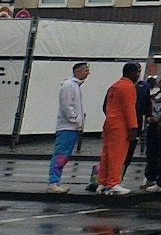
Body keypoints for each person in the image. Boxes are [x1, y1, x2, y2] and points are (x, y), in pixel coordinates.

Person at [97, 63, 140, 196]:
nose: (138, 75)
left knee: (107, 154)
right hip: (120, 125)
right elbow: (129, 109)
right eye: (137, 72)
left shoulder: (114, 86)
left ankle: (102, 182)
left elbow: (106, 106)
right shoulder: (128, 87)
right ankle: (113, 183)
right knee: (118, 154)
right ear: (132, 73)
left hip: (110, 123)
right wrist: (133, 127)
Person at [48, 62, 89, 191]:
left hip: (72, 127)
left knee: (64, 155)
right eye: (86, 70)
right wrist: (75, 119)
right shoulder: (69, 85)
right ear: (78, 71)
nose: (88, 73)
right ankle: (53, 182)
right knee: (61, 154)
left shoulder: (75, 86)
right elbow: (66, 105)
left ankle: (55, 181)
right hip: (67, 127)